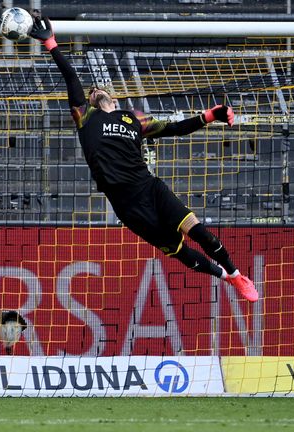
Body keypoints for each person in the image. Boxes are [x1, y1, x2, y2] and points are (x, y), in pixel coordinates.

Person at [28, 16, 258, 302]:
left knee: (200, 233)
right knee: (183, 254)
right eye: (90, 93)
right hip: (127, 205)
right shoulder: (86, 117)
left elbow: (174, 129)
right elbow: (72, 78)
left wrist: (210, 116)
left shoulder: (134, 119)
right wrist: (50, 43)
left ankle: (237, 276)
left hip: (149, 187)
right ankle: (225, 277)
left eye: (98, 89)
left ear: (112, 98)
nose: (93, 91)